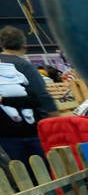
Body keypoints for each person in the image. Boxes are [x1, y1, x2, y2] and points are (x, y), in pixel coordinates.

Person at [0, 25, 58, 165]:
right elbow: (42, 96)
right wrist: (55, 118)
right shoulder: (25, 66)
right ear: (23, 45)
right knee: (44, 167)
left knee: (20, 171)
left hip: (5, 133)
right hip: (31, 132)